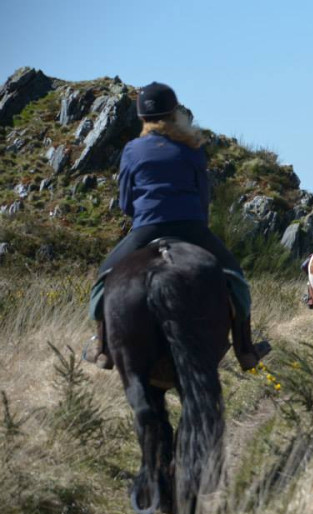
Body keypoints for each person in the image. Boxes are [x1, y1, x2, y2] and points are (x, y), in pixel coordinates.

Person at [84, 82, 269, 371]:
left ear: (141, 117)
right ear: (174, 114)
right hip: (192, 228)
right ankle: (245, 350)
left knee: (104, 279)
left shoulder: (132, 150)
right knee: (237, 279)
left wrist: (141, 215)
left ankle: (103, 346)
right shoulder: (192, 148)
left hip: (146, 228)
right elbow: (203, 194)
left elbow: (124, 202)